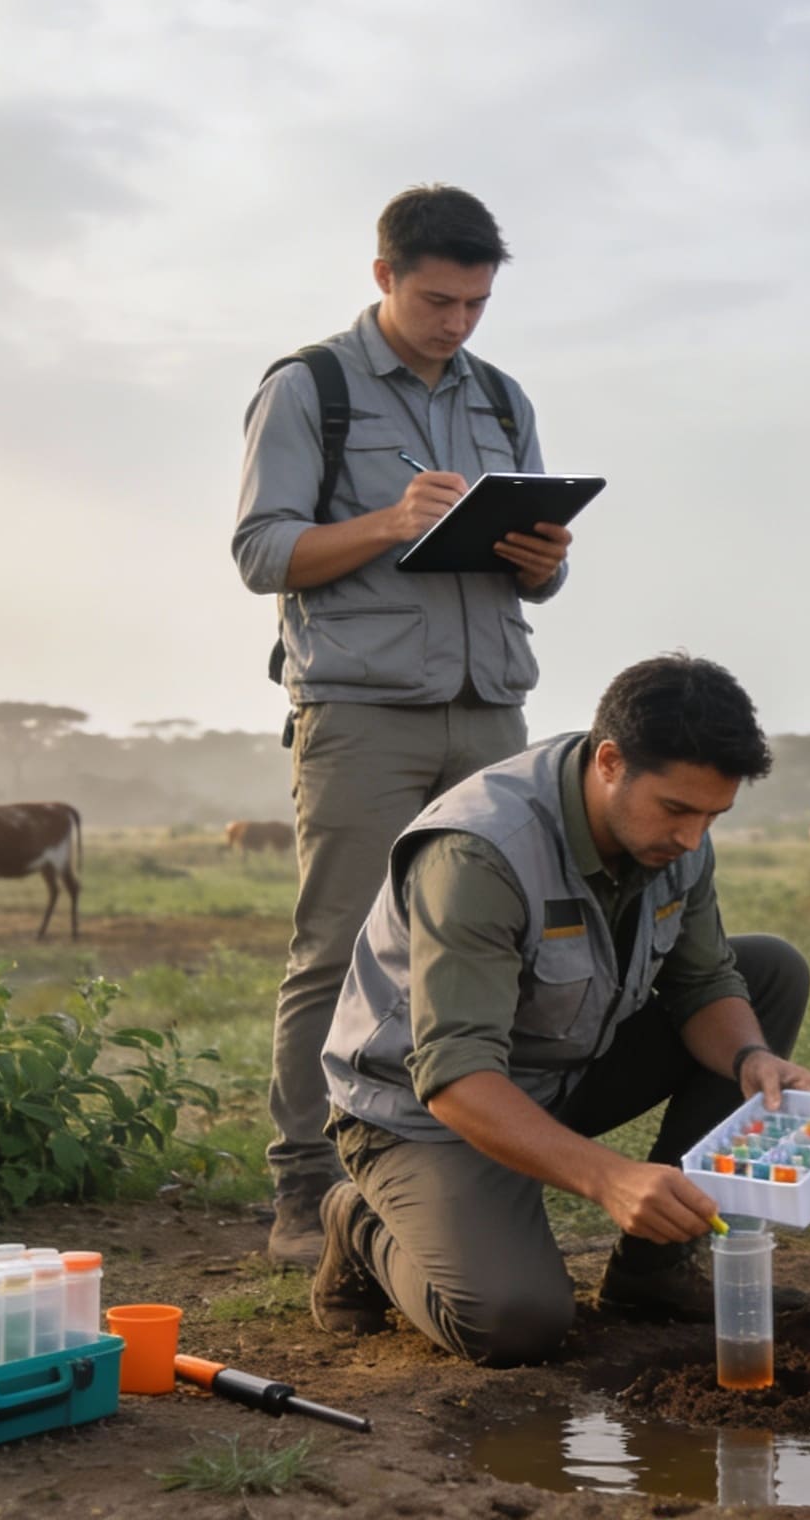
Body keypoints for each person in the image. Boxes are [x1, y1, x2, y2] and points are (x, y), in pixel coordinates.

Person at [232, 185, 576, 1267]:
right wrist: (389, 522)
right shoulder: (309, 389)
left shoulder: (504, 398)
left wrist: (548, 560)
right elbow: (259, 554)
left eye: (476, 303)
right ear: (383, 277)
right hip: (362, 714)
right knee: (337, 947)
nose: (457, 323)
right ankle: (307, 1191)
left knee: (488, 945)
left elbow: (541, 578)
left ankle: (463, 1174)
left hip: (493, 710)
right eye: (438, 299)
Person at [306, 654, 810, 1364]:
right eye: (677, 810)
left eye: (713, 815)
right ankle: (361, 1220)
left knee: (769, 972)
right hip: (422, 1116)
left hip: (558, 1070)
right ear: (610, 762)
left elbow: (703, 983)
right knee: (516, 1322)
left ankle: (653, 1272)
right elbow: (454, 1074)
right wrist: (609, 1176)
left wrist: (752, 1059)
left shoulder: (677, 837)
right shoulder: (479, 855)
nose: (694, 839)